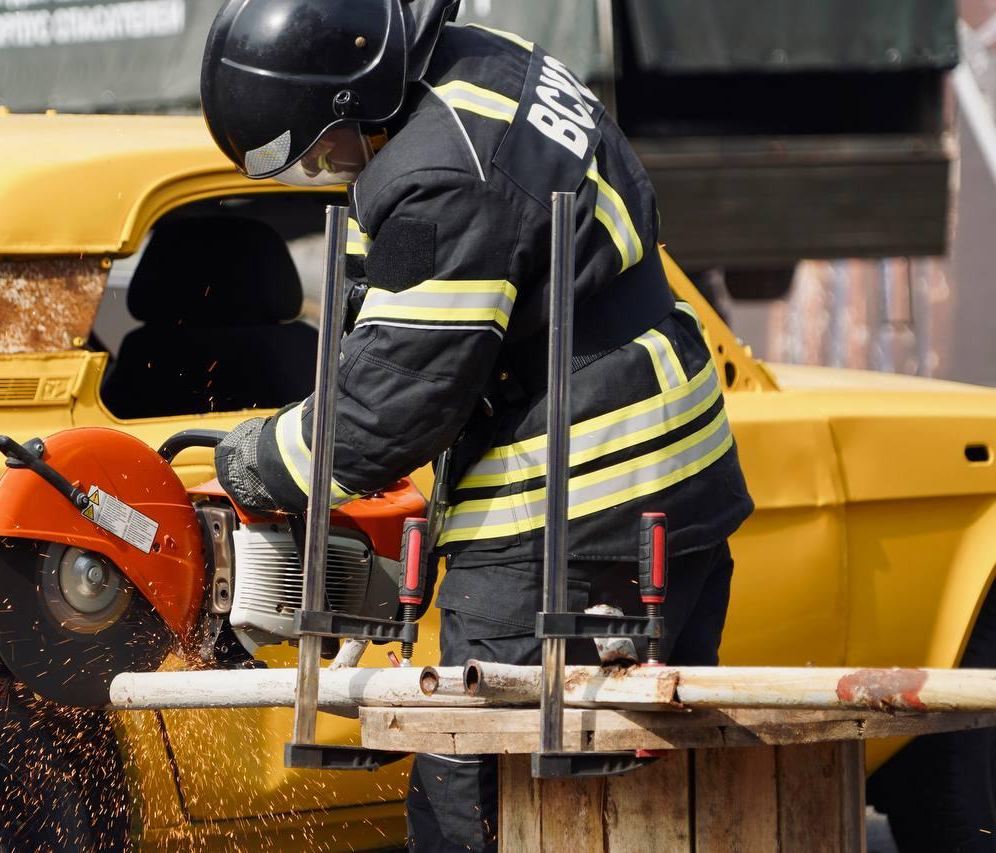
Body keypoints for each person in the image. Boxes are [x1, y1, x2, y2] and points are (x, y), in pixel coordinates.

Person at [200, 2, 754, 850]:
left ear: (354, 97)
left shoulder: (439, 174)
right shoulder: (479, 61)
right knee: (646, 802)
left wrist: (258, 460)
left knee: (472, 800)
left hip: (572, 507)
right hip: (674, 473)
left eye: (319, 149)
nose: (324, 168)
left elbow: (389, 408)